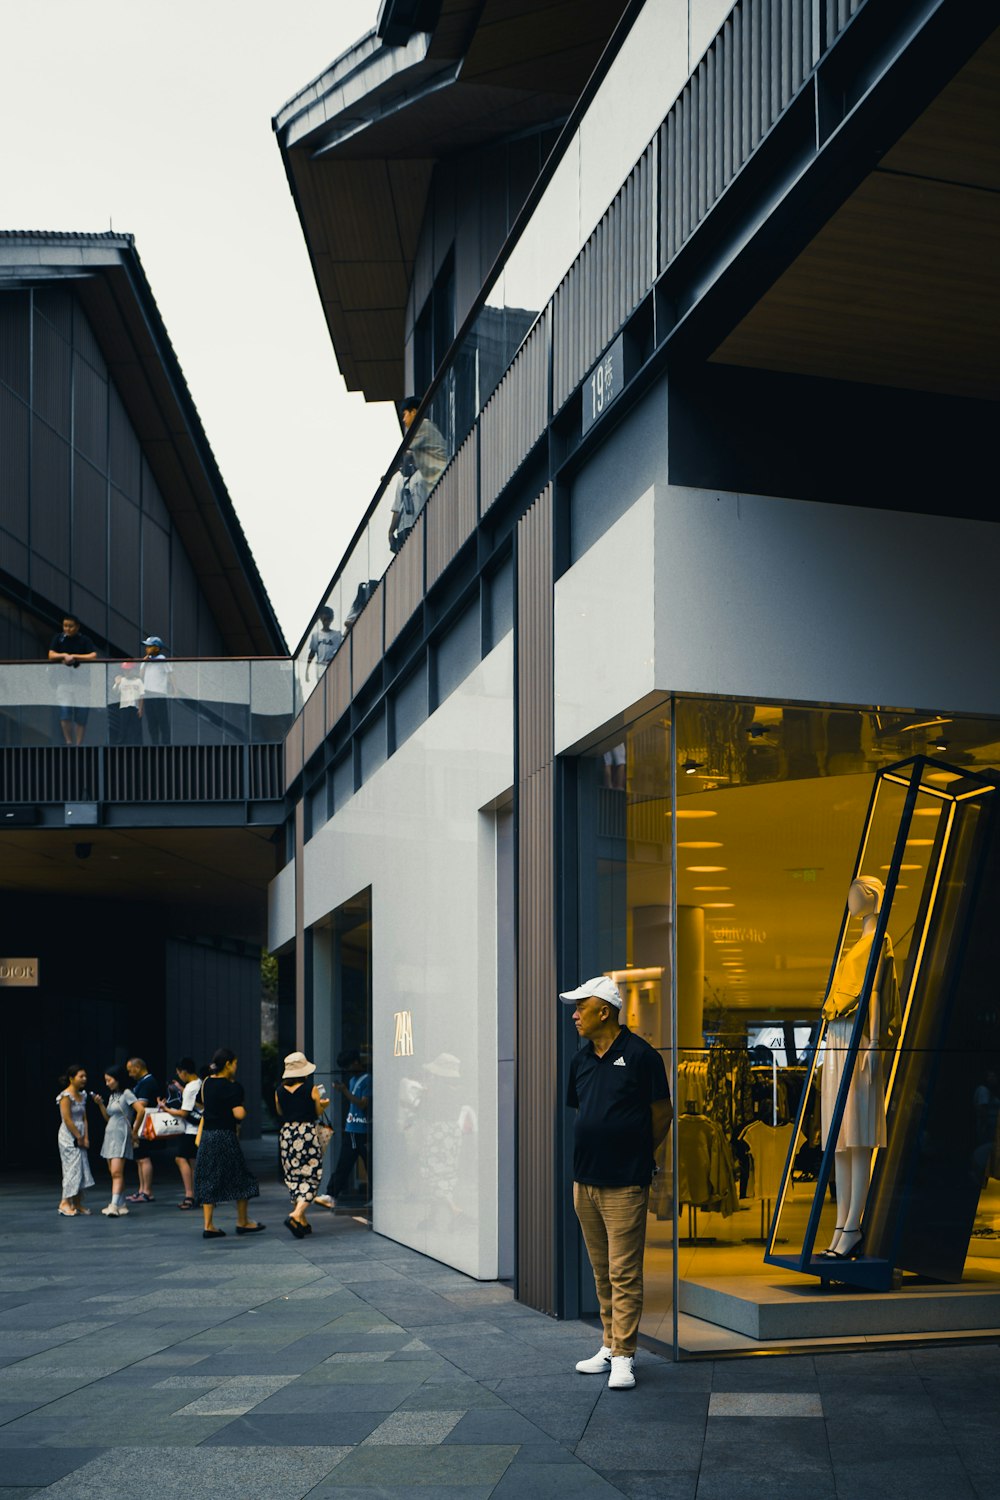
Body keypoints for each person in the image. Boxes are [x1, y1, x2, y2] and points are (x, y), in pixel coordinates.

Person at [561, 975, 672, 1391]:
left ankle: (625, 1355)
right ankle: (609, 1344)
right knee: (602, 1271)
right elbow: (583, 1112)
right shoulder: (581, 1059)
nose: (574, 1015)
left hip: (625, 1182)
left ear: (603, 1011)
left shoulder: (642, 1056)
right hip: (585, 1181)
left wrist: (641, 1155)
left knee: (624, 1272)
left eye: (580, 1008)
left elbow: (662, 1114)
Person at [818, 875, 897, 1261]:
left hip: (858, 1037)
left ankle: (853, 1225)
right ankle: (840, 1224)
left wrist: (875, 1043)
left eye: (854, 894)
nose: (849, 901)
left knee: (858, 1135)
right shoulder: (859, 943)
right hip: (838, 1035)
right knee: (840, 1138)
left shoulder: (879, 941)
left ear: (870, 897)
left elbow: (877, 991)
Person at [193, 1048, 264, 1238]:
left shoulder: (207, 1082)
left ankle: (208, 1225)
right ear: (228, 1064)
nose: (236, 1067)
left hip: (208, 1136)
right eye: (235, 1063)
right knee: (242, 1177)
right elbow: (238, 1113)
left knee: (208, 1178)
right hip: (225, 1136)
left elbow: (199, 1104)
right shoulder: (233, 1087)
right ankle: (242, 1221)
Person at [274, 1050, 327, 1237]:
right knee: (312, 1175)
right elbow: (318, 1111)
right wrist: (323, 1104)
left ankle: (302, 1222)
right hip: (306, 1133)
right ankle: (296, 1214)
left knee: (294, 1176)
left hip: (287, 1134)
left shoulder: (279, 1091)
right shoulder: (310, 1089)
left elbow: (280, 1112)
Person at [387, 396, 447, 553]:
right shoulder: (405, 480)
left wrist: (389, 475)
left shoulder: (423, 426)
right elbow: (397, 508)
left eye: (405, 414)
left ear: (414, 412)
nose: (404, 420)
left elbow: (406, 454)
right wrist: (391, 530)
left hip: (423, 519)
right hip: (406, 526)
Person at [315, 1048, 371, 1212]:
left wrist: (344, 1091)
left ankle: (332, 1194)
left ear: (355, 1062)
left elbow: (362, 1104)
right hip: (353, 1128)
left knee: (359, 1163)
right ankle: (331, 1194)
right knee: (347, 1163)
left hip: (360, 1129)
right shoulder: (354, 1080)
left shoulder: (367, 1079)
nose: (346, 1070)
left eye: (347, 1066)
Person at [91, 1063, 144, 1216]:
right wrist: (100, 1104)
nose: (107, 1083)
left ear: (118, 1079)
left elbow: (141, 1110)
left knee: (116, 1172)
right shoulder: (113, 1095)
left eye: (109, 1080)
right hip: (110, 1134)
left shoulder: (127, 1093)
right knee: (114, 1172)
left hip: (121, 1134)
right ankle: (121, 1204)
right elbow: (108, 1117)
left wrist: (134, 1131)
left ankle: (113, 1205)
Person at [156, 1058, 202, 1209]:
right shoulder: (200, 1083)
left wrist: (165, 1108)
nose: (179, 1076)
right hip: (200, 1129)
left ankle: (189, 1196)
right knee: (194, 1162)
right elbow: (195, 1102)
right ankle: (199, 1195)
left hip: (190, 1130)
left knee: (180, 1159)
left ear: (183, 1071)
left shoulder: (190, 1087)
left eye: (178, 1073)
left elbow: (183, 1113)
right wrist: (181, 1089)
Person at [48, 614, 98, 746]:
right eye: (65, 626)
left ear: (77, 627)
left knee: (81, 714)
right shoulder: (59, 639)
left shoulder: (84, 640)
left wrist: (74, 657)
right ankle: (69, 741)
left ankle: (79, 743)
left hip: (82, 682)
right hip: (63, 681)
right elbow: (51, 655)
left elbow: (93, 655)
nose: (67, 629)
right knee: (65, 712)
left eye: (70, 626)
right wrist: (64, 655)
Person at [56, 1065, 97, 1215]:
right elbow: (67, 1119)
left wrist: (85, 1137)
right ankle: (64, 1202)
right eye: (81, 1076)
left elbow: (84, 1118)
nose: (84, 1079)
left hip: (80, 1133)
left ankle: (77, 1203)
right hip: (69, 1136)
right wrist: (78, 1137)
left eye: (85, 1076)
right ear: (72, 1078)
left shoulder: (83, 1095)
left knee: (81, 1168)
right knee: (71, 1169)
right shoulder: (65, 1096)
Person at [125, 1057, 161, 1203]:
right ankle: (142, 1189)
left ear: (138, 1067)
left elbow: (141, 1105)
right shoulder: (143, 1082)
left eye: (130, 1070)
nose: (129, 1074)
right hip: (140, 1124)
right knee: (139, 1158)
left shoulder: (147, 1082)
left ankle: (147, 1191)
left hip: (144, 1124)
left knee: (144, 1157)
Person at [139, 635, 174, 744]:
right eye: (146, 647)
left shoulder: (162, 659)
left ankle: (165, 744)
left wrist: (174, 688)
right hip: (148, 693)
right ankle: (154, 743)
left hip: (159, 693)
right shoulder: (147, 660)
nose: (146, 649)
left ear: (157, 648)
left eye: (149, 646)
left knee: (162, 720)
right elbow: (141, 675)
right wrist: (144, 662)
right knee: (151, 721)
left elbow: (170, 674)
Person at [111, 662, 143, 745]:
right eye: (125, 670)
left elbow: (141, 696)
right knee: (123, 727)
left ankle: (137, 744)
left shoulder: (138, 681)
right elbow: (114, 692)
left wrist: (140, 708)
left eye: (128, 670)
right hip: (124, 707)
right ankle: (121, 744)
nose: (127, 672)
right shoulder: (122, 680)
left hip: (134, 707)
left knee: (136, 728)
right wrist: (117, 683)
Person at [306, 608, 342, 677]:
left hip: (334, 666)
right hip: (321, 667)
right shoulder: (316, 635)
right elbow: (312, 653)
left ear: (331, 619)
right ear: (321, 619)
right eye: (324, 619)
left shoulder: (337, 635)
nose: (326, 621)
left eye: (328, 618)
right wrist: (307, 670)